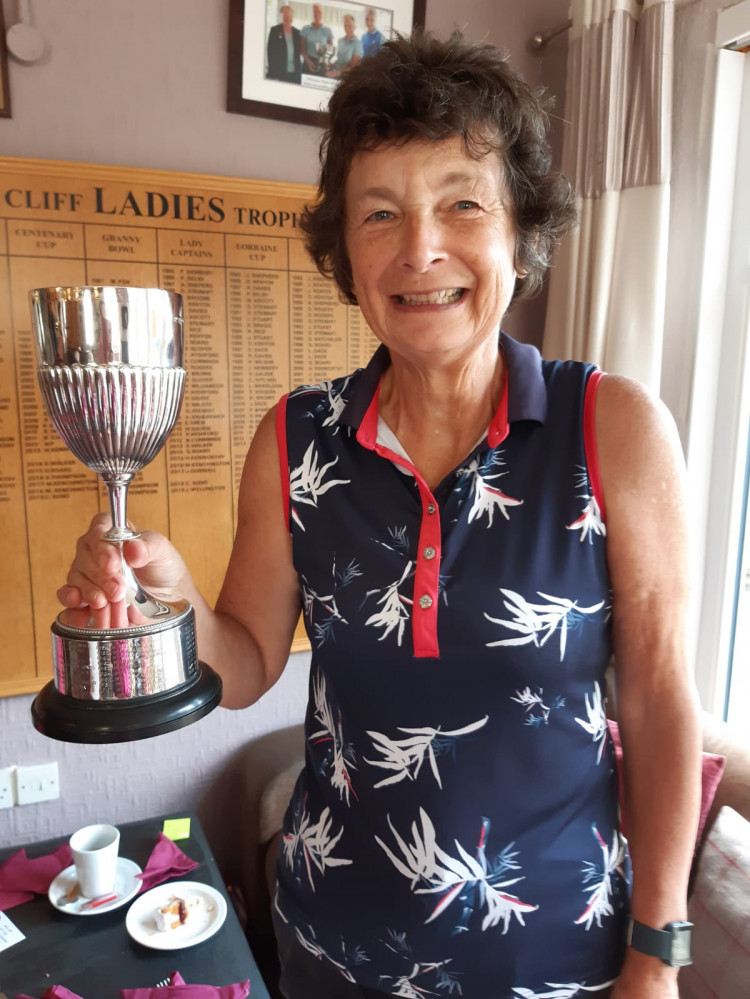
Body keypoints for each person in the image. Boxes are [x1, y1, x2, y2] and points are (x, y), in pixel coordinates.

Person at [61, 31, 702, 999]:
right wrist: (171, 602)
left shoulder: (612, 430)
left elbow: (657, 701)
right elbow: (247, 665)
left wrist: (658, 952)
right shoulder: (297, 439)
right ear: (346, 252)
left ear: (519, 231)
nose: (420, 250)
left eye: (461, 203)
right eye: (380, 213)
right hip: (332, 951)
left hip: (556, 963)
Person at [266, 5, 303, 84]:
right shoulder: (275, 30)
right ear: (282, 16)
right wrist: (273, 75)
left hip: (295, 75)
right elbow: (270, 53)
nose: (287, 18)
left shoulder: (298, 33)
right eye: (285, 15)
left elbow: (301, 52)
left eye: (289, 15)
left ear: (292, 17)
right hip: (279, 74)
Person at [300, 3, 334, 75]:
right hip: (307, 62)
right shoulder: (305, 29)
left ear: (322, 13)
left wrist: (323, 64)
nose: (317, 14)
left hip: (322, 65)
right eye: (315, 12)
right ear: (312, 13)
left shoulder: (328, 30)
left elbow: (330, 52)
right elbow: (302, 50)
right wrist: (308, 62)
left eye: (319, 12)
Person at [326, 13, 362, 78]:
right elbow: (339, 59)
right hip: (336, 74)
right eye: (345, 25)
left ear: (354, 26)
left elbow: (353, 66)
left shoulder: (357, 43)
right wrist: (331, 65)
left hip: (348, 77)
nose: (347, 28)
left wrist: (338, 73)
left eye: (350, 25)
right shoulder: (340, 41)